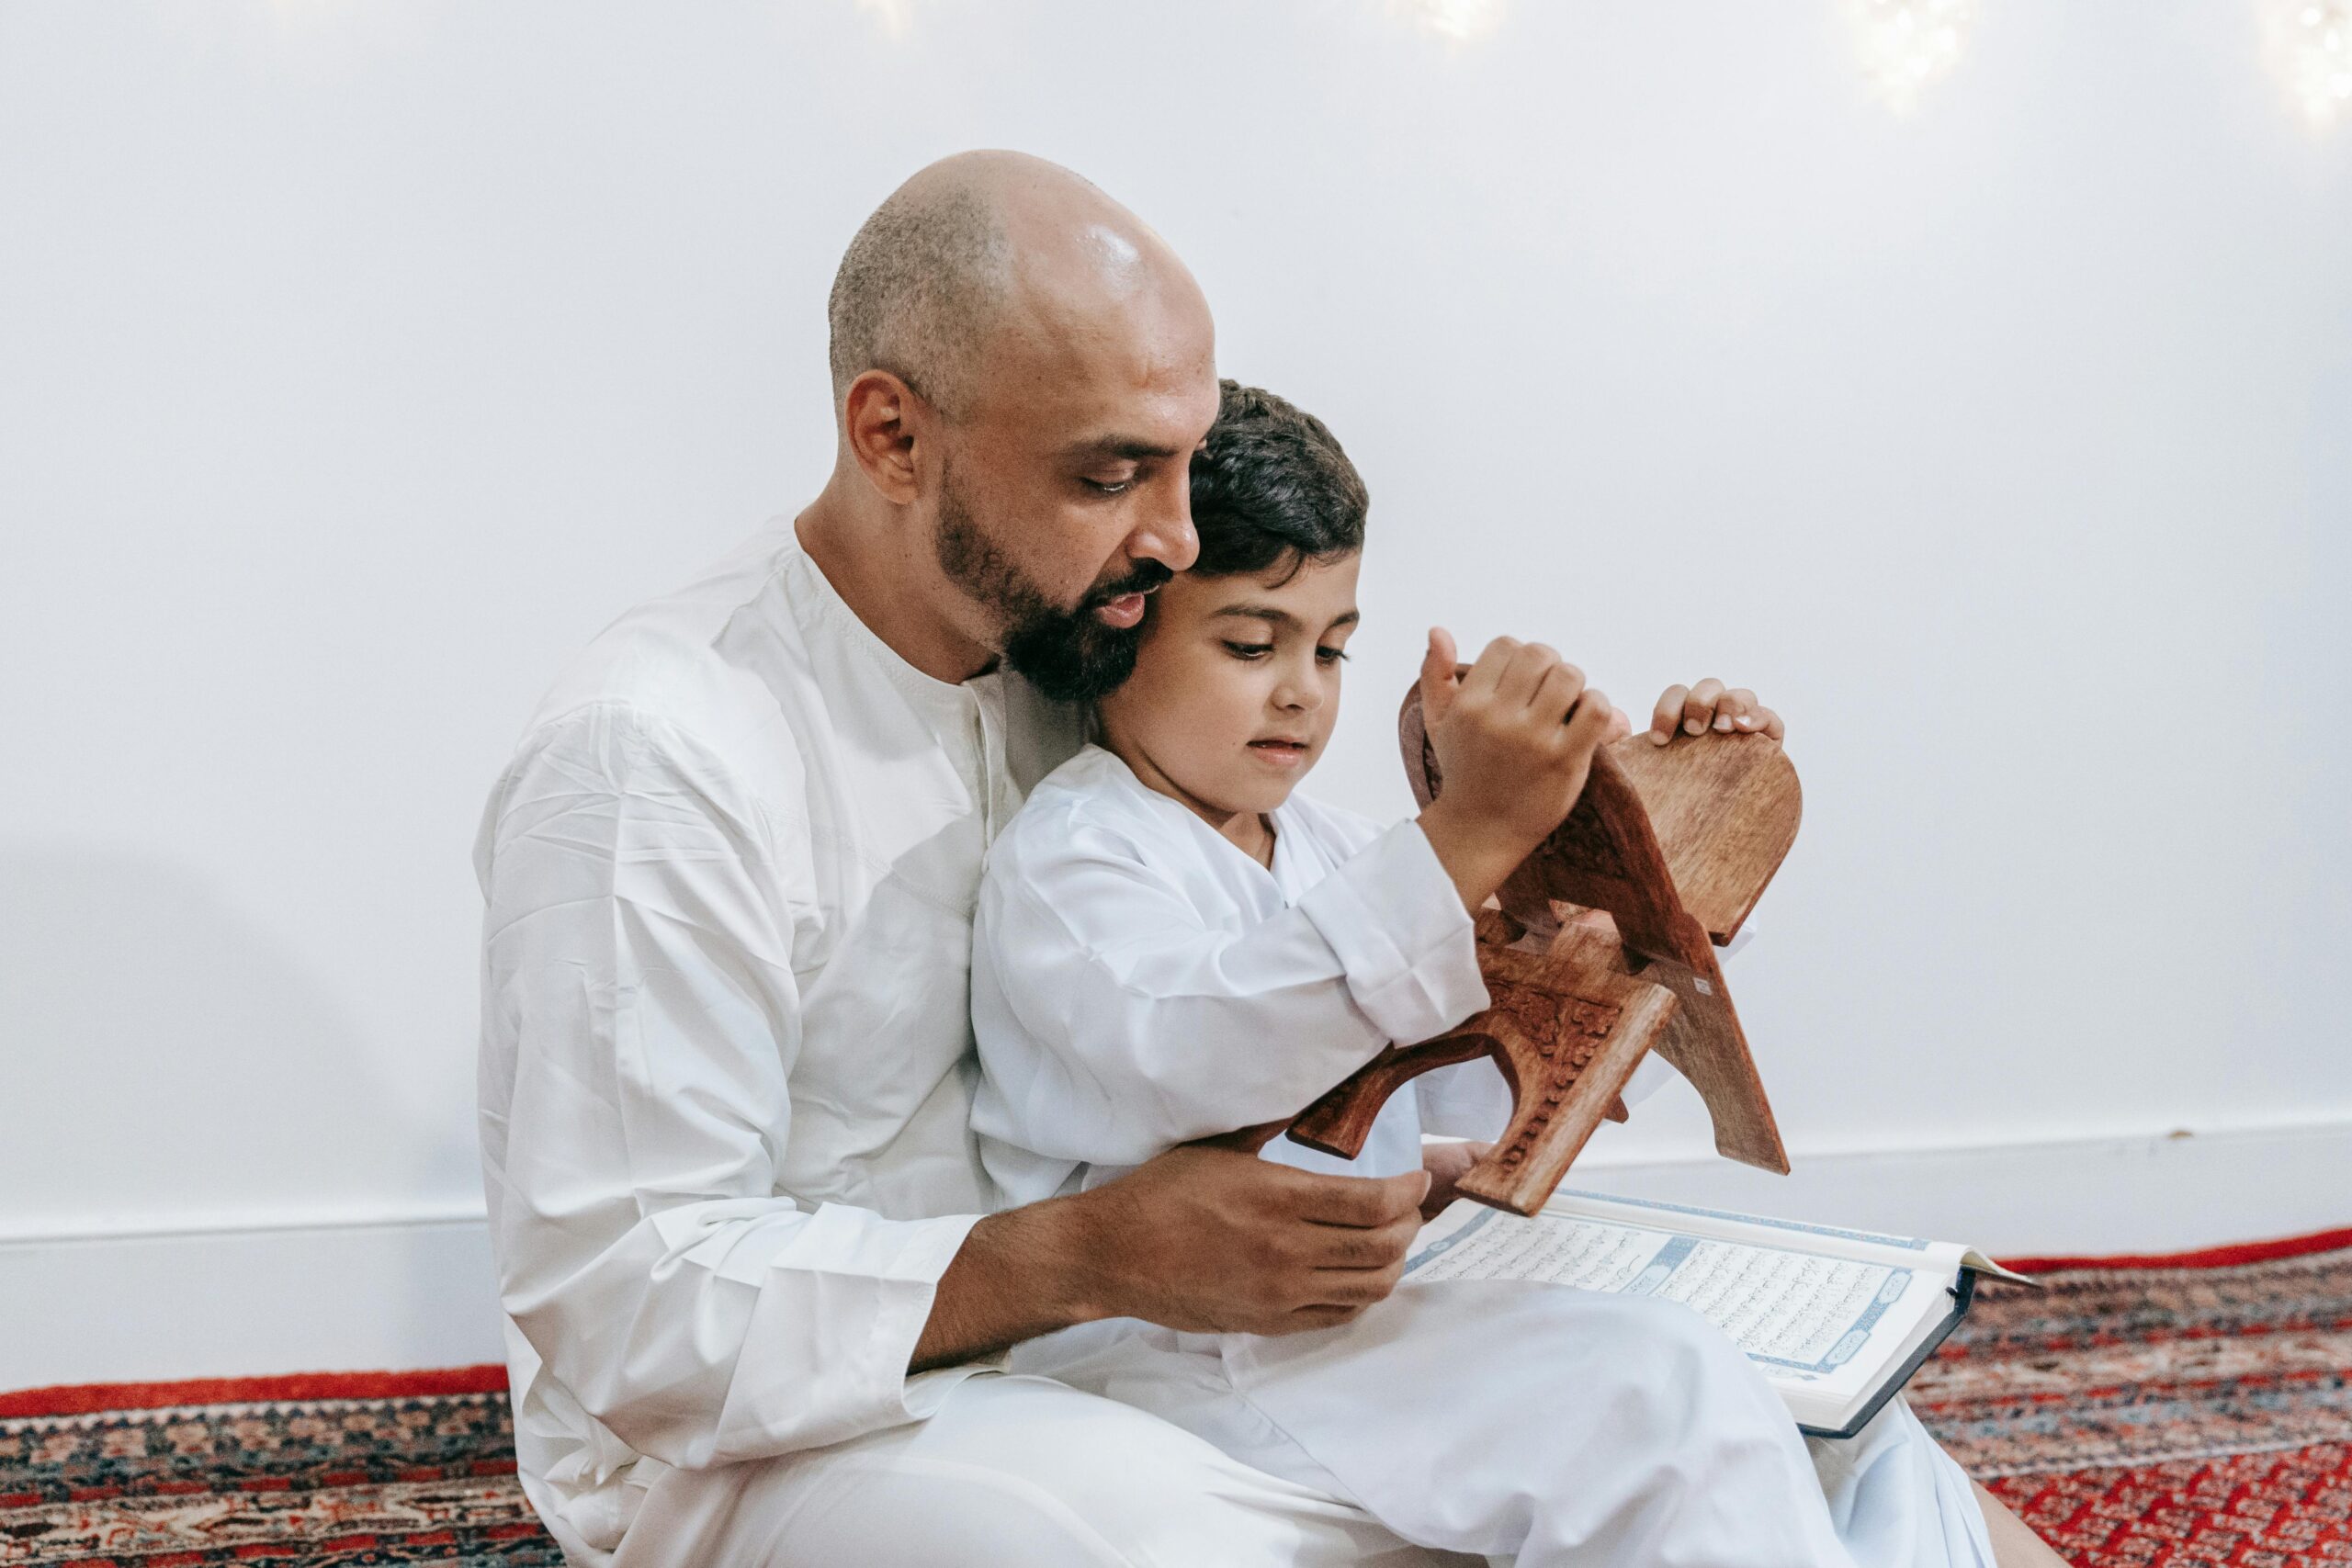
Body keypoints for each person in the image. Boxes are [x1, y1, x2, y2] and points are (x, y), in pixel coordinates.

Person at [476, 150, 2069, 1566]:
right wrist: (1095, 1254)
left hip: (1145, 1328)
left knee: (1811, 1433)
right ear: (893, 435)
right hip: (774, 1433)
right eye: (1112, 474)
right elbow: (635, 1306)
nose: (1175, 539)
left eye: (1181, 463)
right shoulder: (655, 758)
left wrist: (1612, 851)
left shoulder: (1084, 662)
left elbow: (1318, 1002)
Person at [968, 378, 1999, 1567]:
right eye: (1251, 643)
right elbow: (1206, 1060)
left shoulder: (1336, 852)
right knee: (1661, 1394)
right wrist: (1467, 835)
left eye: (1334, 648)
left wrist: (1676, 856)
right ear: (1121, 626)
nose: (1302, 689)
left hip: (1378, 1305)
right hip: (1191, 1343)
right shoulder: (1075, 859)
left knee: (1848, 1421)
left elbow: (1483, 1083)